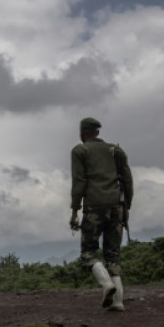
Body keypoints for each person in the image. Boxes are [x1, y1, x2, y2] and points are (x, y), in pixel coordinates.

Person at [70, 117, 133, 311]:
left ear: (83, 132)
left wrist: (74, 210)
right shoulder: (116, 150)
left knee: (88, 252)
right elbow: (127, 180)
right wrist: (126, 206)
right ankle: (118, 302)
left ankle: (106, 284)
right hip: (117, 207)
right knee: (113, 254)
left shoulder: (80, 151)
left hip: (94, 207)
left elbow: (79, 182)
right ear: (97, 132)